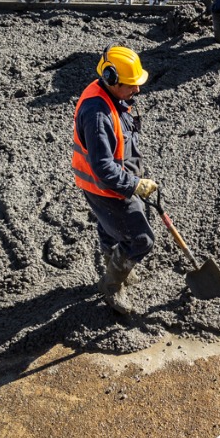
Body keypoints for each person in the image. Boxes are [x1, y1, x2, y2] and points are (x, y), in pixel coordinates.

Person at [72, 47, 157, 315]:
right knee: (141, 240)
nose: (137, 91)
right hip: (105, 187)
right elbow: (104, 169)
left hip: (115, 181)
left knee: (111, 227)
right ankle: (111, 285)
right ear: (111, 79)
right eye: (131, 85)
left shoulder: (109, 96)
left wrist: (135, 173)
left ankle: (114, 262)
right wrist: (133, 184)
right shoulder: (98, 115)